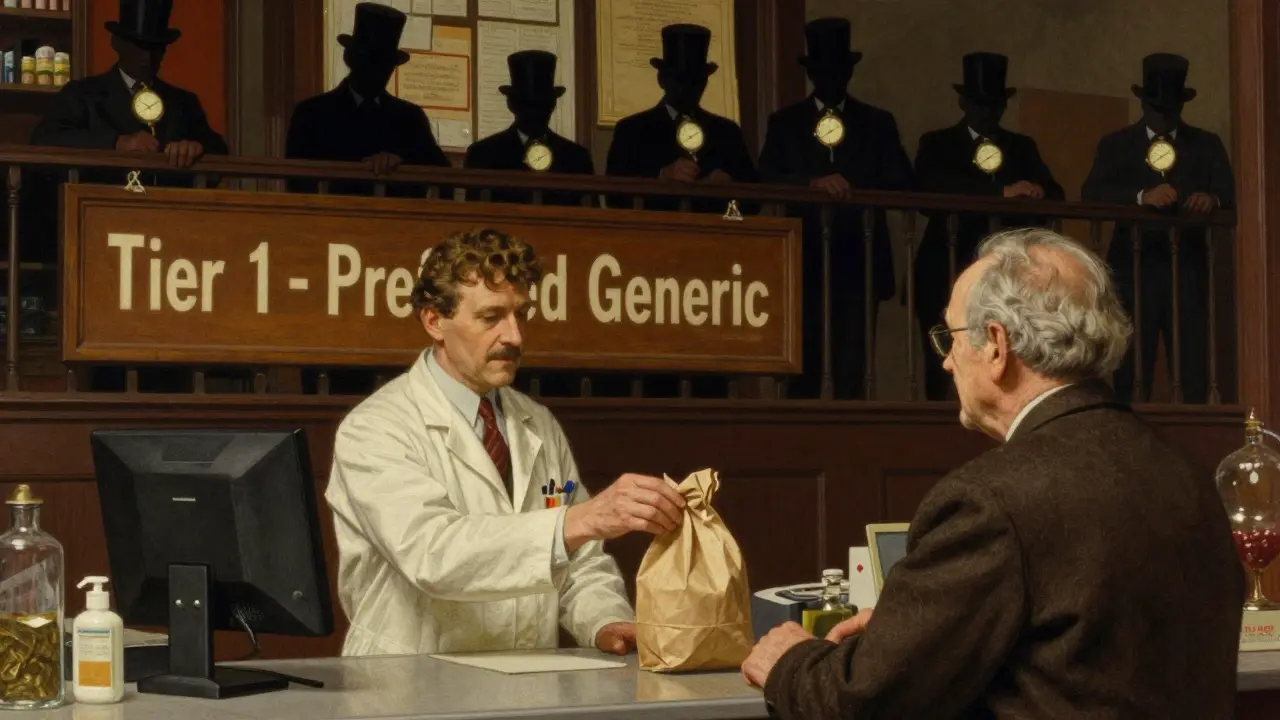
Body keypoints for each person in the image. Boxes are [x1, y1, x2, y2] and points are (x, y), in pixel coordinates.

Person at [742, 228, 1243, 718]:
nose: (945, 363)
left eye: (950, 337)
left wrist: (789, 659)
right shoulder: (1187, 475)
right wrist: (911, 633)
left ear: (997, 346)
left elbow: (862, 699)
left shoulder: (989, 500)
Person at [326, 228, 688, 656]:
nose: (514, 337)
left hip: (525, 686)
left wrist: (605, 620)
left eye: (521, 315)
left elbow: (579, 561)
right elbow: (433, 554)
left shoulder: (537, 423)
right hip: (410, 690)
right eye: (491, 317)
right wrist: (575, 521)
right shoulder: (376, 428)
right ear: (434, 320)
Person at [758, 17, 913, 400]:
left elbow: (903, 180)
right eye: (822, 70)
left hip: (859, 260)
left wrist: (851, 184)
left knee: (855, 366)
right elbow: (764, 179)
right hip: (804, 259)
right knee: (802, 364)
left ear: (849, 72)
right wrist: (813, 183)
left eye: (838, 70)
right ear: (811, 73)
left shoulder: (877, 123)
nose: (831, 79)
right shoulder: (786, 123)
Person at [1081, 53, 1233, 405]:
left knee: (1193, 358)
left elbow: (1230, 192)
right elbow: (1092, 191)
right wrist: (1141, 196)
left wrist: (1211, 198)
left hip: (1189, 268)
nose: (1163, 116)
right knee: (1132, 360)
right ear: (1144, 102)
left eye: (1171, 108)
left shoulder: (1206, 144)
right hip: (1135, 269)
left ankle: (1199, 443)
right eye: (1157, 107)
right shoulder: (1117, 144)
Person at [913, 52, 1064, 400]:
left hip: (1006, 274)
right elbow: (927, 189)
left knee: (1006, 351)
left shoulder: (1020, 147)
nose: (988, 112)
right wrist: (999, 192)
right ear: (964, 102)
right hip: (947, 265)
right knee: (943, 353)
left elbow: (1056, 191)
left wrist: (1037, 191)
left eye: (995, 104)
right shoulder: (938, 144)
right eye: (980, 103)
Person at [30, 0, 227, 168]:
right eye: (139, 46)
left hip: (167, 210)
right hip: (98, 207)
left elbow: (218, 149)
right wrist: (116, 142)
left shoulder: (184, 103)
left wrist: (195, 147)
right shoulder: (81, 94)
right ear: (116, 42)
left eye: (155, 47)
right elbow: (44, 139)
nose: (147, 57)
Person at [286, 2, 450, 197]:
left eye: (384, 63)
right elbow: (296, 180)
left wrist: (400, 162)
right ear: (351, 59)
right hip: (331, 220)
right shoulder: (313, 113)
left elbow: (441, 173)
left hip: (398, 221)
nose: (377, 70)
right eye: (369, 59)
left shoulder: (409, 118)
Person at [605, 23, 758, 214]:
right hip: (653, 236)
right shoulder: (632, 130)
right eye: (680, 80)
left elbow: (755, 200)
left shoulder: (726, 132)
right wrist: (661, 177)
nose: (687, 89)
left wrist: (729, 187)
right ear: (662, 79)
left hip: (713, 236)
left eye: (696, 81)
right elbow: (614, 197)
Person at [465, 50, 593, 206]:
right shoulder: (483, 155)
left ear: (552, 104)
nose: (534, 113)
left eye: (541, 105)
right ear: (512, 104)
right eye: (527, 104)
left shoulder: (577, 159)